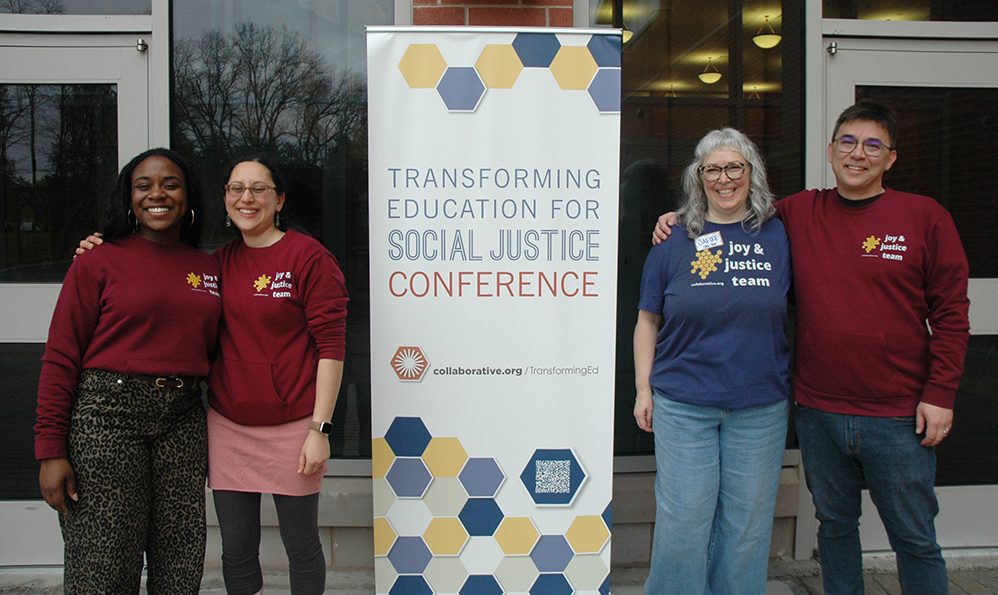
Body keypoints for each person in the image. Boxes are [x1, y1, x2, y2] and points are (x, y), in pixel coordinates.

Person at [654, 101, 971, 594]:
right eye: (847, 142)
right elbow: (728, 204)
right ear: (830, 151)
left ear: (891, 158)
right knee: (836, 530)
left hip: (898, 413)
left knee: (914, 537)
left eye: (872, 145)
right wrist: (679, 215)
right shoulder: (799, 214)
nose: (857, 154)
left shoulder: (924, 218)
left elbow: (952, 314)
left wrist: (941, 393)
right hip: (819, 411)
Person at [78, 155, 349, 594]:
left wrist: (319, 428)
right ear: (224, 200)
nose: (247, 198)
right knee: (237, 549)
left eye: (259, 189)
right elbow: (160, 283)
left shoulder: (308, 257)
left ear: (279, 199)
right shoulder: (214, 265)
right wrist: (99, 246)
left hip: (294, 426)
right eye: (236, 189)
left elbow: (331, 347)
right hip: (228, 426)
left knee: (301, 545)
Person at [36, 148, 221, 592]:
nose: (158, 194)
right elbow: (61, 357)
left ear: (188, 197)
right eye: (144, 185)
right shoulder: (98, 262)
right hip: (107, 417)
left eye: (170, 184)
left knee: (180, 556)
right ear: (129, 199)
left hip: (182, 419)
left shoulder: (208, 267)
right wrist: (50, 450)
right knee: (103, 560)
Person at [635, 128, 791, 595]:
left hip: (760, 406)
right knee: (684, 521)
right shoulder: (673, 238)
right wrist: (644, 389)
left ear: (751, 173)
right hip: (684, 404)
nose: (725, 178)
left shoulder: (780, 232)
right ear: (698, 177)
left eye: (734, 167)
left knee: (746, 525)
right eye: (713, 169)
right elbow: (647, 321)